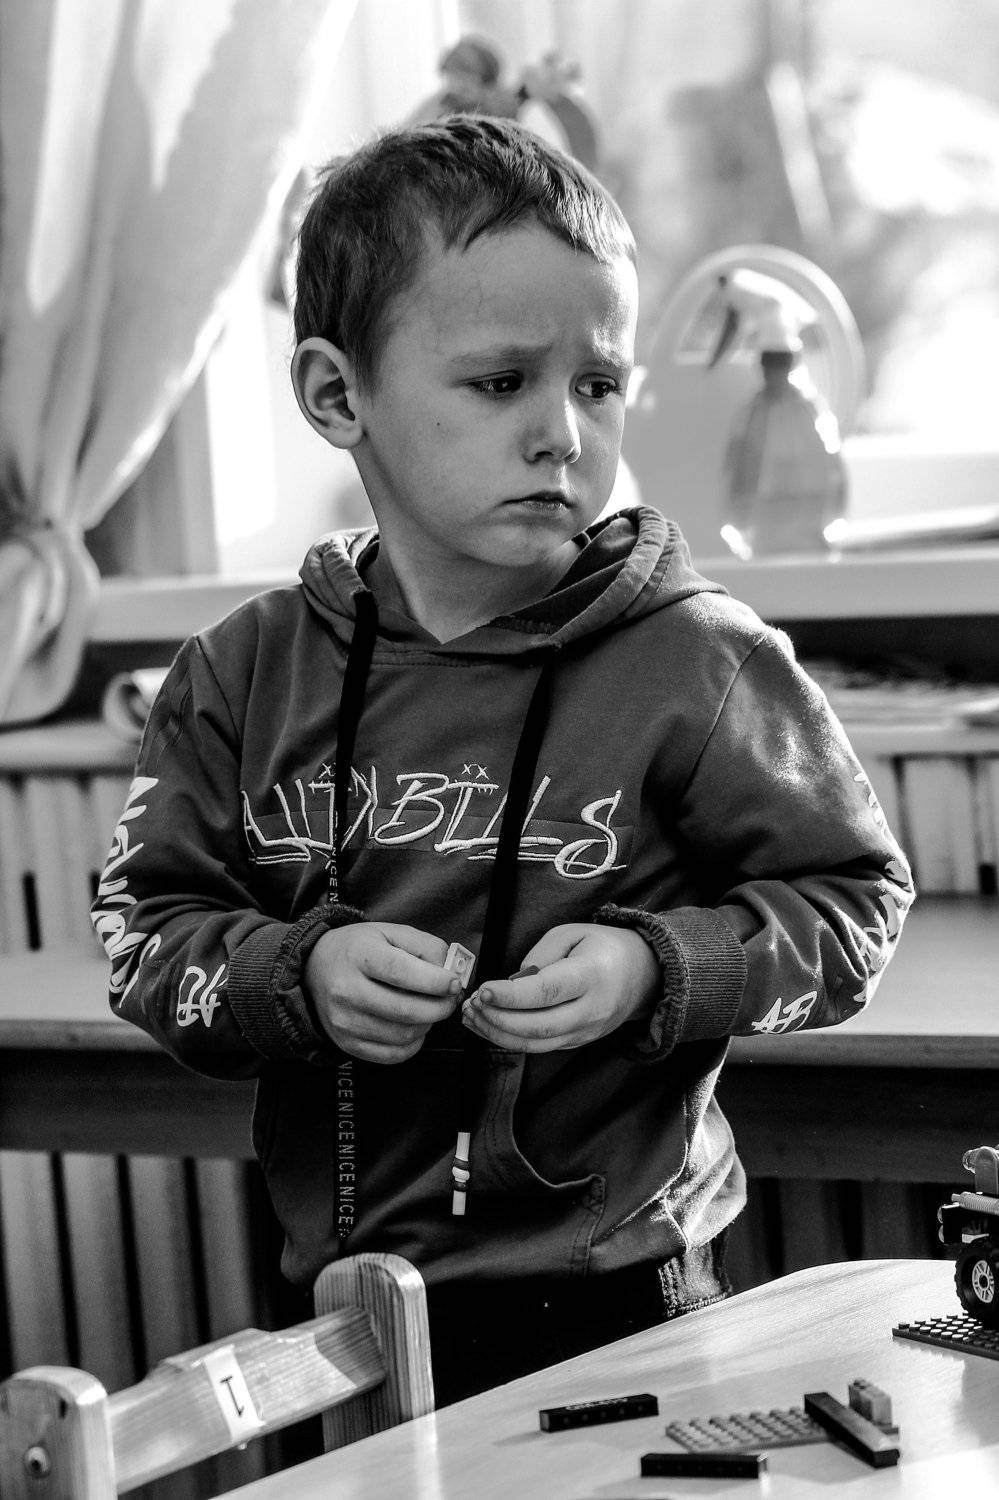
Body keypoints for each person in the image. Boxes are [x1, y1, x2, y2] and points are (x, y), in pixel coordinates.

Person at [91, 115, 913, 1407]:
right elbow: (147, 935)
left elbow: (854, 910)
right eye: (499, 383)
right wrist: (299, 976)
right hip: (337, 1308)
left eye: (598, 385)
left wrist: (656, 967)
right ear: (336, 396)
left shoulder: (701, 661)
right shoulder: (238, 678)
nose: (563, 435)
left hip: (628, 1297)